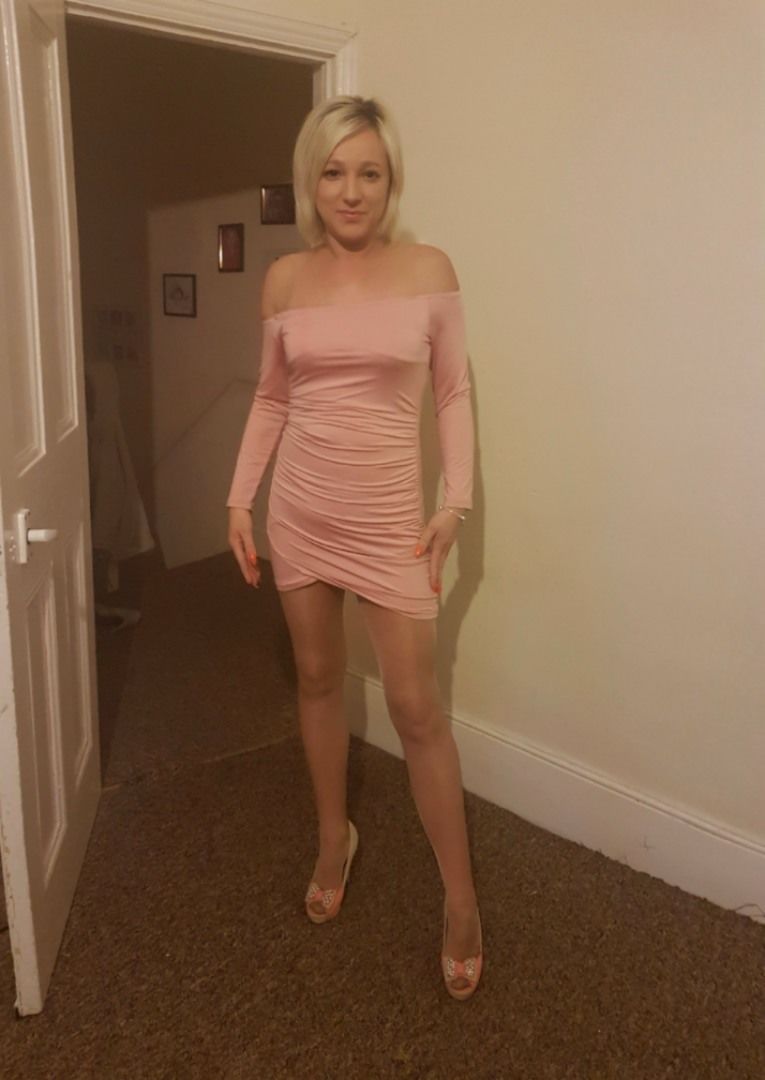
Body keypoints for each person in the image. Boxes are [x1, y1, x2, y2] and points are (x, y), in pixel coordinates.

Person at [226, 95, 482, 1000]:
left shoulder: (427, 269)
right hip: (301, 512)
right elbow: (271, 397)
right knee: (316, 678)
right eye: (334, 171)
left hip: (388, 523)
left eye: (368, 172)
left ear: (390, 181)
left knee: (417, 710)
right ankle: (333, 838)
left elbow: (451, 393)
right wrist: (239, 496)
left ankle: (460, 899)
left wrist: (455, 503)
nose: (350, 190)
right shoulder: (285, 280)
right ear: (312, 179)